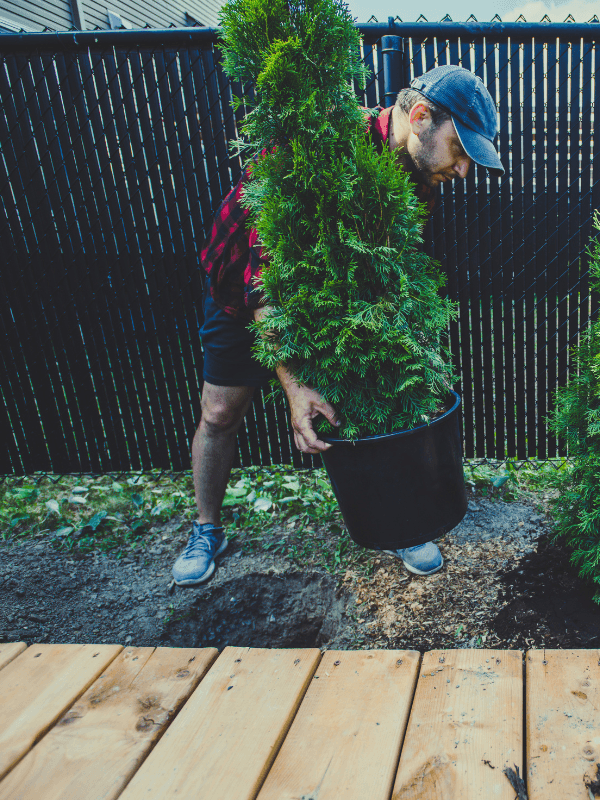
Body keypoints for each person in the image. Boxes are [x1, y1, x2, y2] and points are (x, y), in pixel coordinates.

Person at [172, 65, 505, 586]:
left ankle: (401, 525)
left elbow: (389, 271)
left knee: (377, 401)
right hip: (244, 289)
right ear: (419, 117)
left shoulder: (419, 185)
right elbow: (263, 284)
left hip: (336, 307)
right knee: (218, 412)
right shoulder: (320, 143)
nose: (463, 171)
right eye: (460, 152)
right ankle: (206, 527)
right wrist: (297, 384)